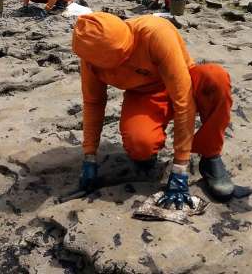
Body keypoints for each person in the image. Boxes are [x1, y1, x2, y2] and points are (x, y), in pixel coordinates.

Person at [72, 13, 235, 207]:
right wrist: (89, 156)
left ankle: (211, 156)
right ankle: (147, 156)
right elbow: (93, 102)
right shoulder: (91, 55)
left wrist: (180, 166)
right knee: (139, 143)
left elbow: (183, 100)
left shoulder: (155, 33)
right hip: (145, 95)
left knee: (216, 78)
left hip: (184, 82)